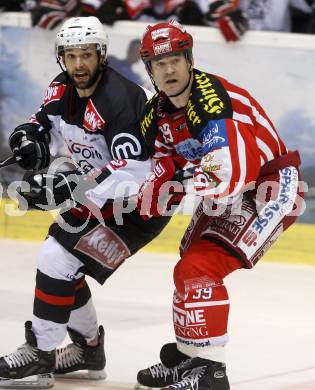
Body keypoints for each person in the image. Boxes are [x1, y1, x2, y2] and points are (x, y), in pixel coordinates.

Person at [0, 16, 174, 389]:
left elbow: (135, 171)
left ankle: (41, 355)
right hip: (102, 197)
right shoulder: (61, 90)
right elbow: (42, 125)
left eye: (86, 55)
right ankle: (88, 350)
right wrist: (29, 141)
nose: (78, 65)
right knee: (60, 261)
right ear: (62, 58)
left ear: (101, 55)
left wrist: (72, 188)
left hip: (142, 205)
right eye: (71, 56)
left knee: (57, 258)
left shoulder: (120, 99)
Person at [135, 20, 303, 390]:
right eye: (159, 64)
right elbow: (148, 170)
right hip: (230, 187)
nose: (169, 69)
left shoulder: (210, 99)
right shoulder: (157, 113)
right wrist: (87, 187)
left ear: (189, 59)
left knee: (200, 266)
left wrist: (174, 183)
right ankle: (192, 355)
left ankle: (212, 371)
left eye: (175, 60)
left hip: (267, 185)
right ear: (150, 70)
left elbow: (231, 172)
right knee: (187, 263)